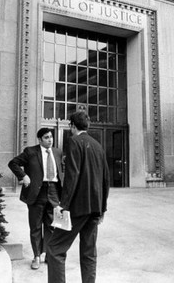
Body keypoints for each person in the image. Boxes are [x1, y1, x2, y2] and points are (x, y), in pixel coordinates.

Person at [47, 111, 110, 283]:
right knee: (89, 252)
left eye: (70, 126)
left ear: (73, 126)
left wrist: (63, 205)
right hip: (95, 208)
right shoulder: (98, 145)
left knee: (55, 249)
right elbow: (106, 180)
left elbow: (72, 176)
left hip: (77, 208)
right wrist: (102, 208)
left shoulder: (74, 142)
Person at [8, 127, 64, 270]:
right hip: (36, 193)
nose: (50, 139)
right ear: (39, 140)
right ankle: (36, 256)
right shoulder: (30, 152)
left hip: (54, 192)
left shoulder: (57, 152)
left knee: (52, 226)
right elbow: (13, 163)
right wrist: (23, 176)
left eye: (51, 137)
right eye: (46, 137)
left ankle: (46, 254)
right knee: (36, 226)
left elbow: (62, 171)